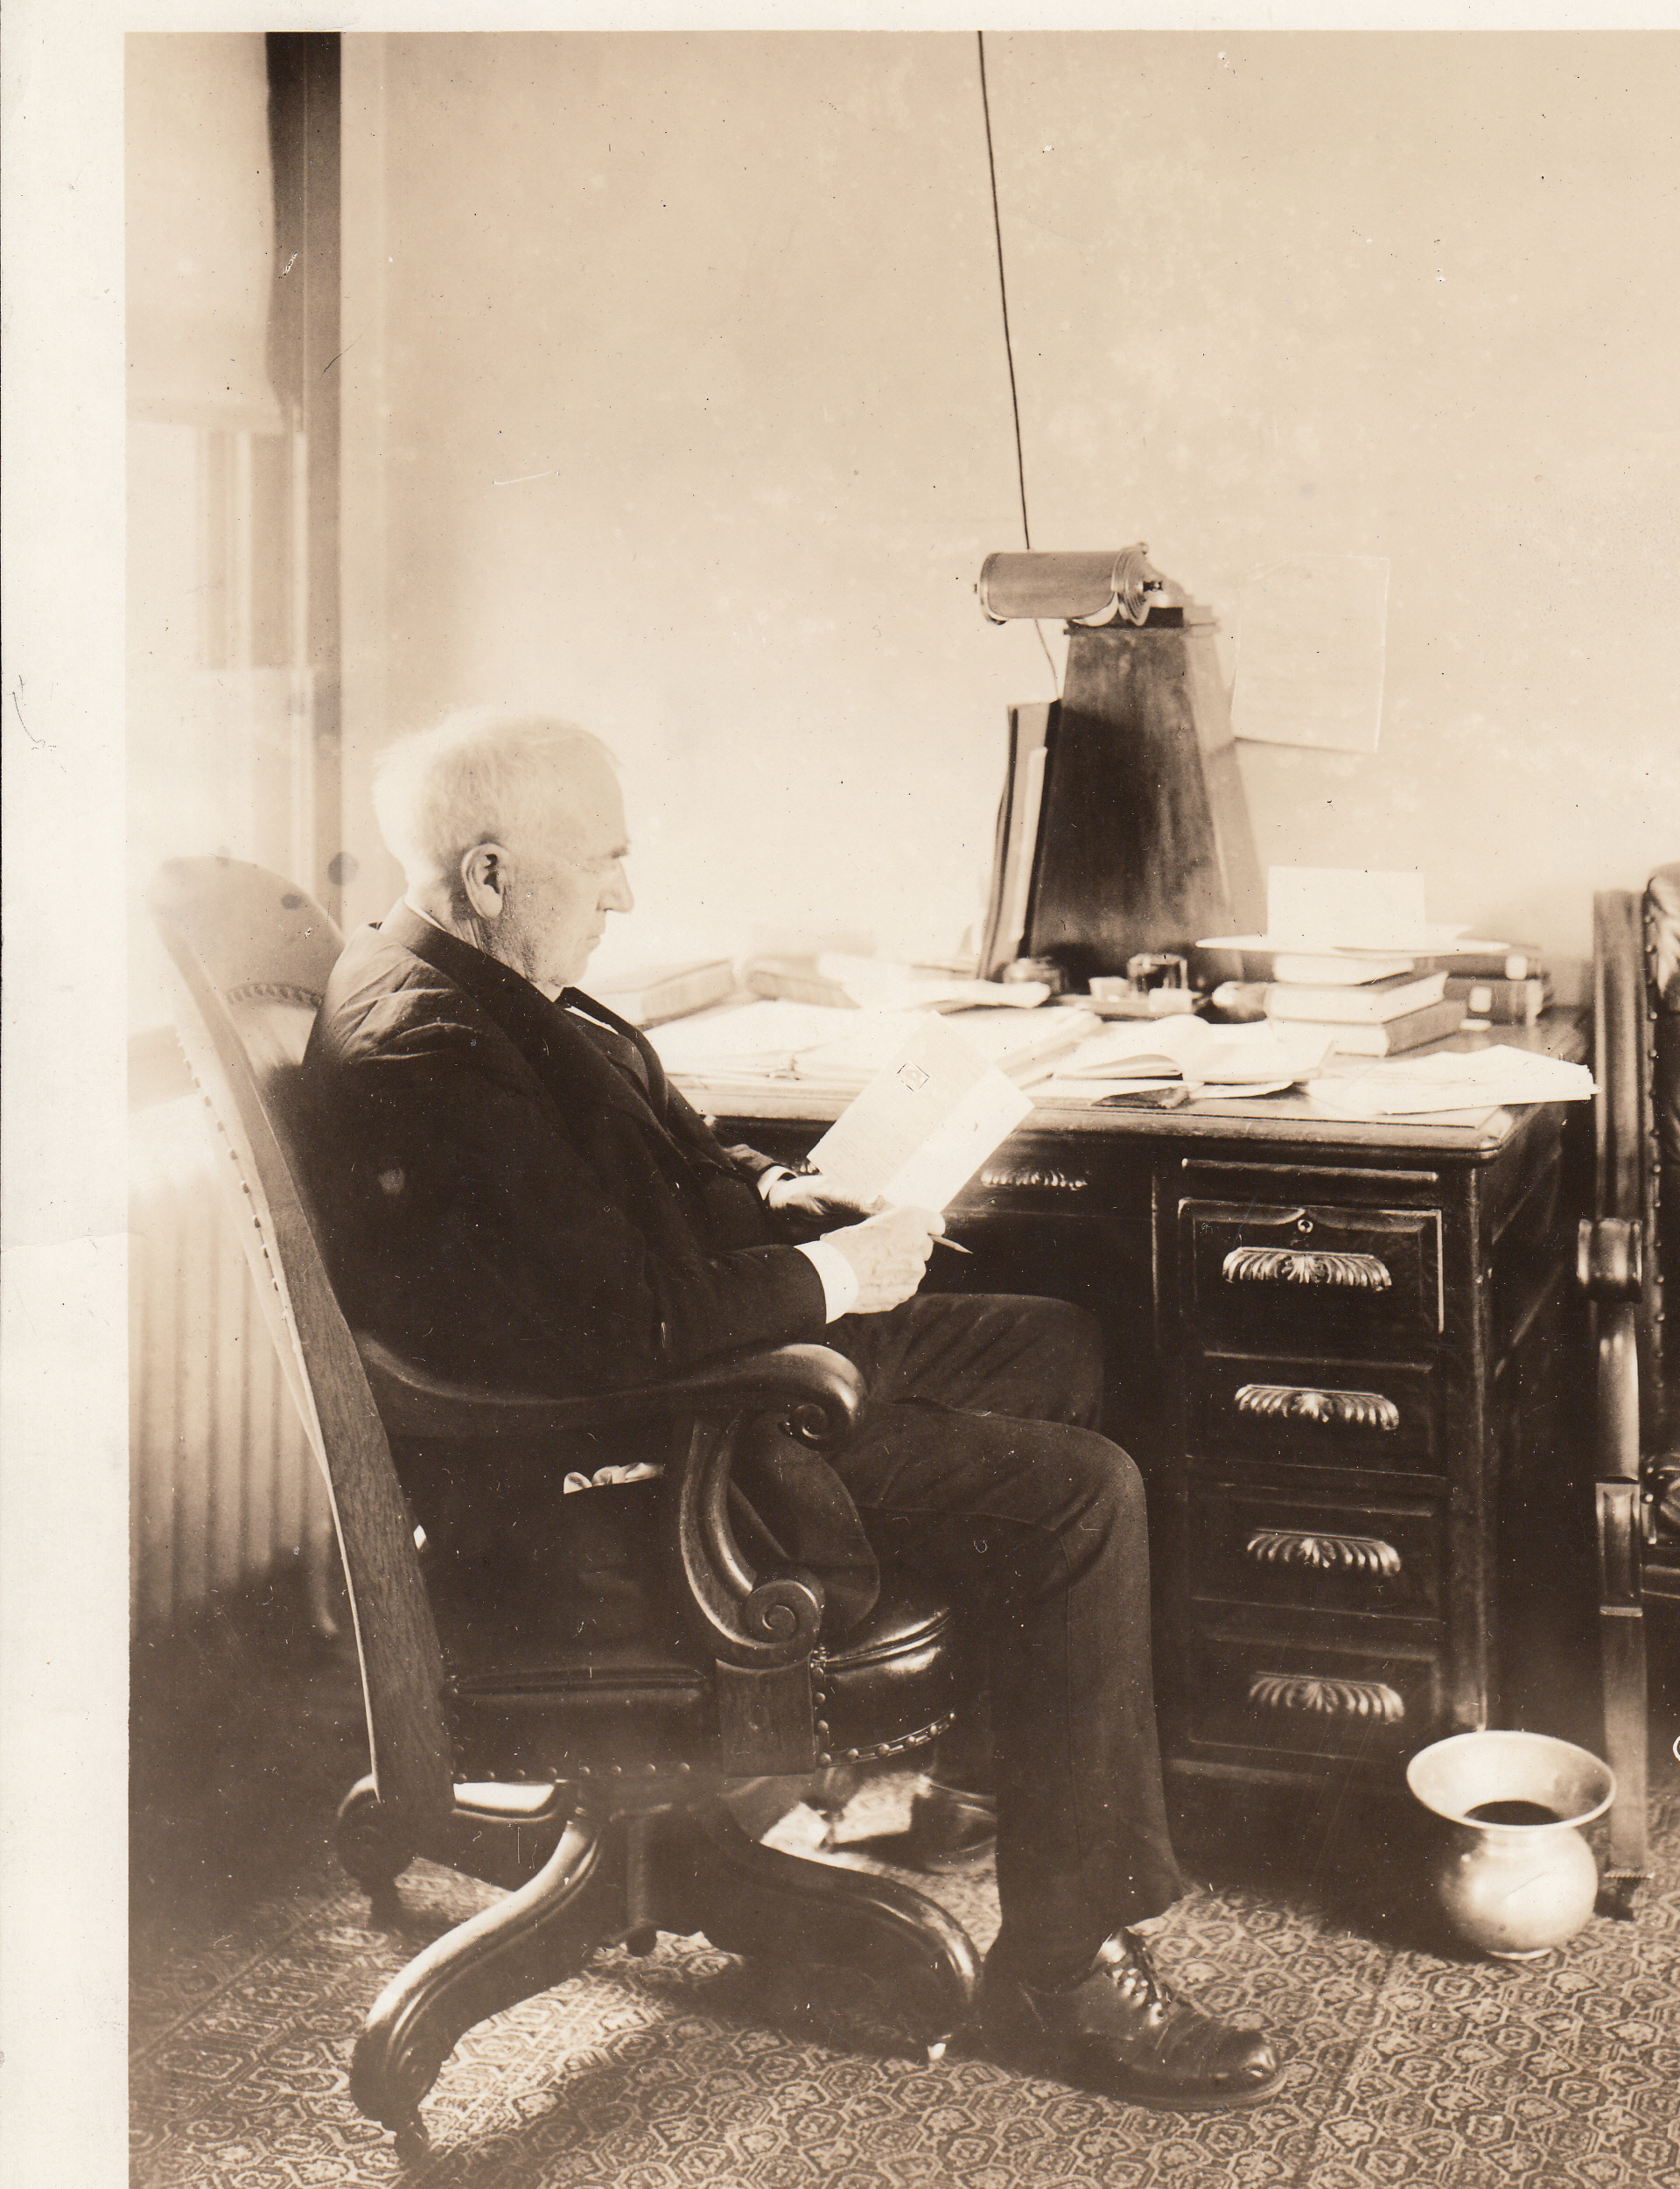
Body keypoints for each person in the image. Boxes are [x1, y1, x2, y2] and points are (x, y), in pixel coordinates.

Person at [304, 707, 1284, 2110]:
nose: (628, 894)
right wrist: (828, 1275)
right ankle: (1062, 1967)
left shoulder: (476, 985)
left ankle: (1012, 1768)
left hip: (659, 1396)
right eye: (606, 864)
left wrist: (776, 1205)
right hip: (626, 1471)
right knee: (1082, 1495)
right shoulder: (427, 1047)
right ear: (490, 874)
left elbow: (601, 1208)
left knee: (1052, 1346)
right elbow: (611, 1329)